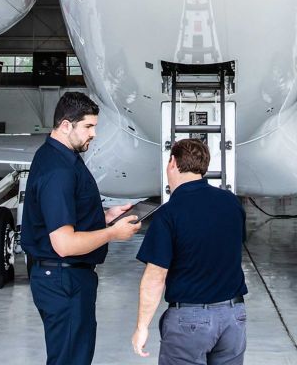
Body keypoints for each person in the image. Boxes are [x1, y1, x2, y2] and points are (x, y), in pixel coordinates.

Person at [21, 91, 141, 365]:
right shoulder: (58, 171)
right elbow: (64, 244)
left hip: (63, 277)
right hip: (64, 280)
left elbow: (62, 214)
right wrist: (113, 233)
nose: (93, 134)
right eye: (88, 126)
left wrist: (105, 216)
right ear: (66, 125)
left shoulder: (57, 156)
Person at [132, 138, 248, 365]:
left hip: (190, 321)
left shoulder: (168, 214)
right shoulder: (233, 204)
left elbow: (156, 277)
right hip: (234, 316)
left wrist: (142, 327)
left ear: (173, 163)